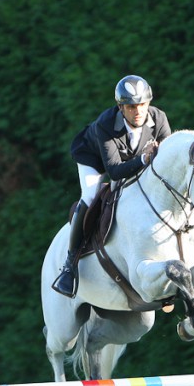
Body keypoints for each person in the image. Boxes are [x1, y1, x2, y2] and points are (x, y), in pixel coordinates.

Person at [52, 74, 172, 297]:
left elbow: (164, 162)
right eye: (132, 107)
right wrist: (145, 160)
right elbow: (115, 170)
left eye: (143, 105)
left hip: (133, 159)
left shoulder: (159, 119)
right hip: (94, 159)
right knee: (91, 196)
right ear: (121, 107)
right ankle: (70, 265)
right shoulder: (106, 124)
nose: (138, 111)